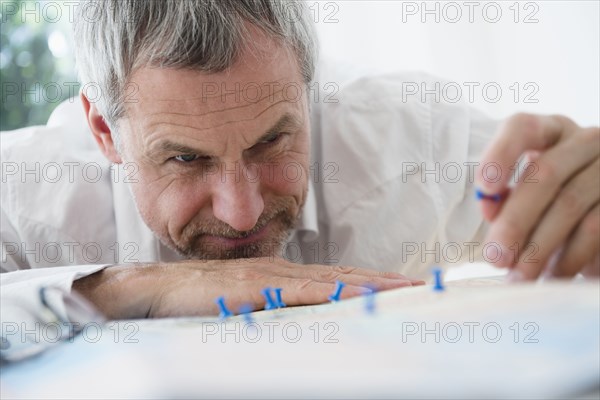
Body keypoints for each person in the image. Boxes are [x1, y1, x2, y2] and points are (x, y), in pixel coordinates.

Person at [1, 0, 598, 321]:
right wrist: (121, 289)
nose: (241, 213)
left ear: (308, 90)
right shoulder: (27, 197)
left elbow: (564, 196)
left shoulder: (407, 141)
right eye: (185, 158)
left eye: (271, 142)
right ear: (105, 132)